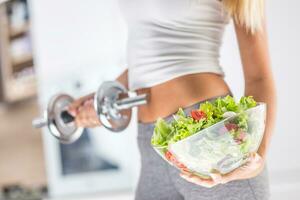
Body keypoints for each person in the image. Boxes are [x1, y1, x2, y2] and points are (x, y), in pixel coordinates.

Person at [68, 0, 276, 199]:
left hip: (210, 137)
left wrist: (258, 156)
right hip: (151, 144)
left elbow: (259, 77)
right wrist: (109, 96)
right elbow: (151, 51)